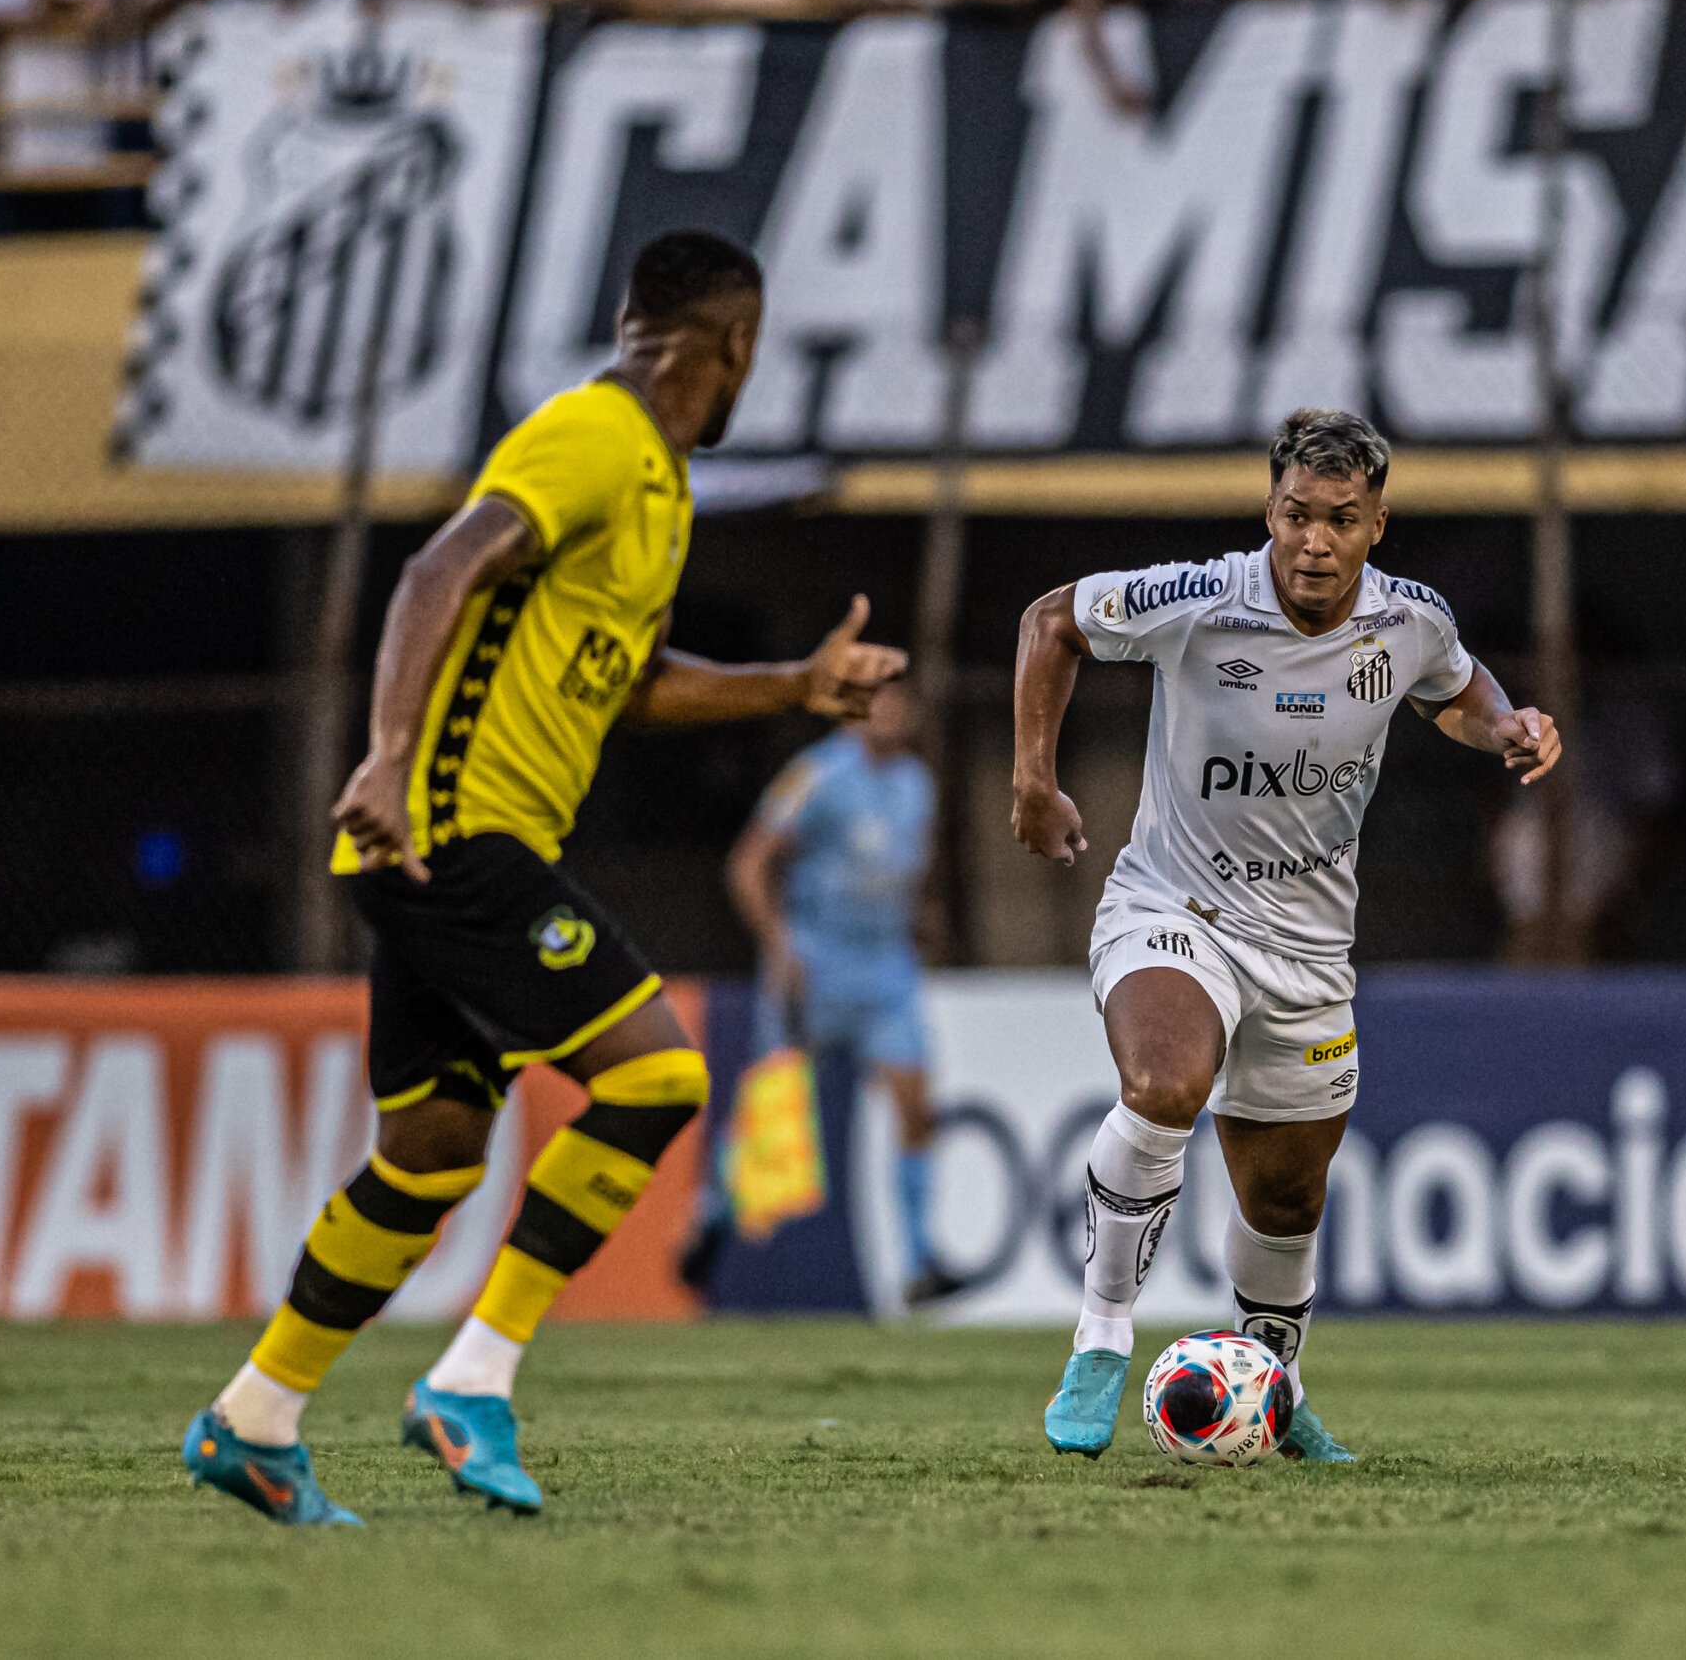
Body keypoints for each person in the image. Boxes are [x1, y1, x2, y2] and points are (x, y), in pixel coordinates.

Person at [181, 230, 907, 1526]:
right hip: (452, 832)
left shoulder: (660, 485)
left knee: (433, 1146)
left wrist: (792, 684)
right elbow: (438, 568)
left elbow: (631, 681)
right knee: (659, 1071)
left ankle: (255, 1414)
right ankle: (472, 1377)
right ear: (727, 344)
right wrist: (391, 758)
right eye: (752, 349)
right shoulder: (589, 435)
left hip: (452, 844)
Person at [1011, 407, 1561, 1460]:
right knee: (1164, 1084)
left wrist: (1504, 725)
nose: (1314, 541)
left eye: (1340, 520)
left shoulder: (1410, 622)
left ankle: (1276, 1384)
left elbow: (1452, 687)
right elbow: (1051, 621)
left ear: (1376, 526)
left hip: (1307, 951)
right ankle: (1101, 1333)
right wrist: (1033, 779)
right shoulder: (1200, 599)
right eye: (1296, 516)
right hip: (1174, 908)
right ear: (1269, 510)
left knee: (1287, 1192)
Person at [725, 677, 961, 1306]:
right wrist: (781, 944)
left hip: (886, 969)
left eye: (899, 699)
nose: (889, 710)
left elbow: (909, 871)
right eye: (876, 699)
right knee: (775, 1109)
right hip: (817, 963)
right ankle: (717, 1219)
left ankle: (917, 1264)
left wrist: (920, 920)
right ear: (853, 709)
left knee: (916, 1104)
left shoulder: (918, 784)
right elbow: (749, 864)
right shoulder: (816, 774)